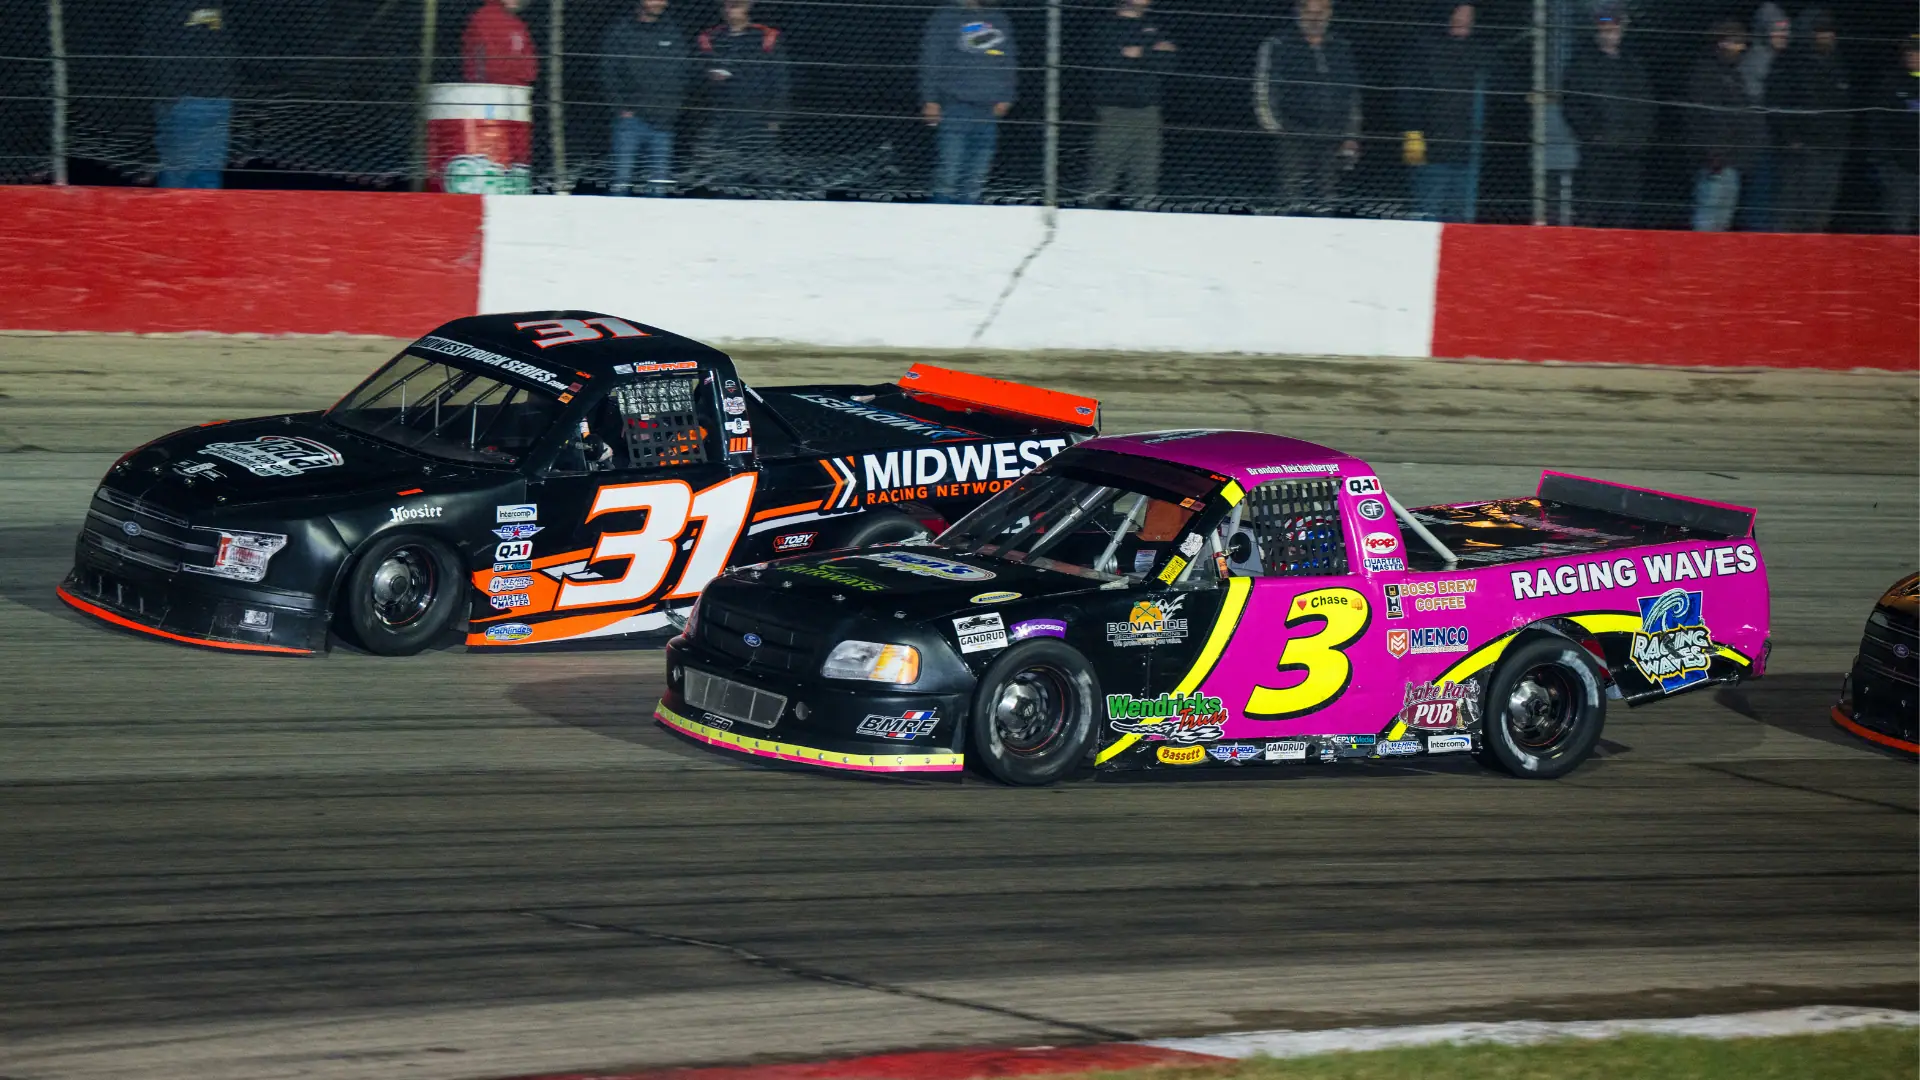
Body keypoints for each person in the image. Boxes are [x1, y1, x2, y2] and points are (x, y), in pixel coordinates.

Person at [1254, 0, 1361, 214]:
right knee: (1292, 194)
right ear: (1298, 12)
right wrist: (1276, 127)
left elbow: (1352, 94)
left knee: (1326, 194)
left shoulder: (1340, 45)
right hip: (1293, 130)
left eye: (1320, 11)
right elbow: (1263, 87)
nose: (1315, 17)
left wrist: (1351, 134)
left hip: (1332, 132)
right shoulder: (1279, 43)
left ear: (1329, 13)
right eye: (1309, 11)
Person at [1562, 2, 1653, 228]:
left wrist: (1639, 138)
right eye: (1605, 26)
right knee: (1592, 211)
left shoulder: (1633, 65)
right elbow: (1572, 104)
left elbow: (1646, 107)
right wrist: (1593, 135)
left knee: (1625, 214)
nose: (1610, 32)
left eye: (1615, 26)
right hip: (1598, 154)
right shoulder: (1582, 63)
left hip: (1630, 152)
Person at [919, 0, 1019, 204]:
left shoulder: (999, 17)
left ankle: (967, 224)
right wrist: (930, 99)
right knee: (949, 172)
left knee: (976, 176)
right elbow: (931, 58)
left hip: (988, 108)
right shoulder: (947, 15)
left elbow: (1009, 58)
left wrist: (1007, 95)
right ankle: (938, 221)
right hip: (955, 104)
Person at [1402, 2, 1491, 222]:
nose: (1463, 20)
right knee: (1428, 212)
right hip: (1433, 149)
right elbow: (1408, 94)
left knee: (1460, 217)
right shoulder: (1424, 50)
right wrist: (1412, 132)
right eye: (1459, 14)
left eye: (1468, 16)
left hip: (1467, 149)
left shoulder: (1478, 53)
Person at [1085, 0, 1177, 207]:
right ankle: (1091, 222)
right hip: (1115, 109)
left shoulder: (1155, 26)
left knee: (1145, 175)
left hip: (1149, 109)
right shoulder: (1105, 26)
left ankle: (1142, 227)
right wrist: (1153, 51)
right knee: (1104, 174)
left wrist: (1140, 53)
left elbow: (1169, 64)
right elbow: (1111, 63)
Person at [695, 0, 791, 191]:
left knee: (765, 176)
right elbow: (697, 71)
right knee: (726, 175)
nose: (731, 11)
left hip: (759, 116)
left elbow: (780, 79)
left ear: (747, 7)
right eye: (727, 6)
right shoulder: (711, 37)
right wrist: (709, 75)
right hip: (724, 116)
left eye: (736, 5)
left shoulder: (767, 36)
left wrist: (775, 116)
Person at [600, 0, 690, 195]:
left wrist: (674, 107)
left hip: (664, 121)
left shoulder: (672, 32)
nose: (659, 3)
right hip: (631, 120)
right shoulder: (621, 32)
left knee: (658, 185)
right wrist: (621, 108)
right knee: (622, 182)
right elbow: (608, 74)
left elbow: (683, 73)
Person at [1771, 9, 1849, 232]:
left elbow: (1844, 108)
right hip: (1803, 150)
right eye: (1821, 31)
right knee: (1793, 208)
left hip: (1831, 150)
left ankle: (1812, 257)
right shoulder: (1791, 64)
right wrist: (1791, 138)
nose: (1827, 36)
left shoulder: (1837, 65)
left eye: (1829, 31)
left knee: (1821, 210)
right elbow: (1777, 103)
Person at [142, 0, 234, 189]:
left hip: (213, 98)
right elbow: (149, 46)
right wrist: (171, 92)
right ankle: (184, 215)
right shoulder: (164, 7)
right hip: (187, 99)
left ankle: (187, 216)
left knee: (200, 173)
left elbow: (230, 44)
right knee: (188, 175)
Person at [1687, 20, 1766, 231]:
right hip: (1716, 164)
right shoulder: (1706, 74)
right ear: (1721, 43)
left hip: (1732, 161)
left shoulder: (1733, 75)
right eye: (1736, 42)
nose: (1741, 48)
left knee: (1721, 224)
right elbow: (1700, 118)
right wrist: (1714, 154)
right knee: (1708, 221)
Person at [1735, 2, 1791, 230]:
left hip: (1776, 142)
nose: (1782, 34)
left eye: (1785, 29)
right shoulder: (1756, 60)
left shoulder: (1783, 61)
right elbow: (1752, 106)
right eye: (1776, 29)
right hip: (1759, 144)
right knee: (1759, 200)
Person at [1868, 35, 1919, 233]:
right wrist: (1885, 161)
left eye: (1917, 51)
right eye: (1910, 51)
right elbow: (1877, 124)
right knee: (1898, 224)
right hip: (1900, 169)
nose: (1913, 56)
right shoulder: (1891, 83)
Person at [463, 0, 538, 86]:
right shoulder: (485, 18)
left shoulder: (517, 23)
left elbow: (529, 57)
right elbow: (484, 58)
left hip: (515, 85)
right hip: (493, 86)